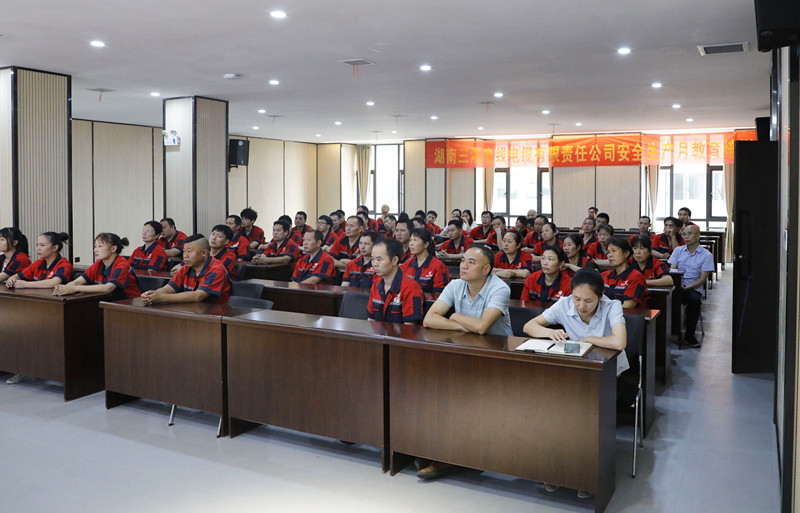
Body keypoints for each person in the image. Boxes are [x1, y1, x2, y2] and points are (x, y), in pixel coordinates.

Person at [523, 269, 628, 500]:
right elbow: (529, 326)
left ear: (600, 296)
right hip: (575, 374)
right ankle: (556, 469)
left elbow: (619, 342)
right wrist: (549, 333)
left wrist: (588, 339)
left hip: (609, 377)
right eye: (577, 299)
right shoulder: (564, 304)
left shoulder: (612, 306)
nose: (581, 306)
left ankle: (586, 475)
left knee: (585, 416)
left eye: (588, 301)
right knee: (551, 410)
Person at [419, 245, 512, 479]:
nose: (463, 266)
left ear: (486, 269)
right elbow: (429, 319)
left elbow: (482, 327)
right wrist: (464, 326)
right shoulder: (455, 285)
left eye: (471, 262)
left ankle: (462, 454)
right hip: (465, 353)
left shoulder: (500, 288)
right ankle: (442, 450)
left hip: (498, 357)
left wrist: (454, 316)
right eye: (462, 260)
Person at [142, 234, 231, 305]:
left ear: (204, 253)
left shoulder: (217, 269)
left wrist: (161, 298)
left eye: (189, 251)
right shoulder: (186, 267)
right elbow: (169, 288)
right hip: (191, 310)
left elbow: (198, 296)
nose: (185, 255)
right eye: (184, 251)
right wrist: (153, 294)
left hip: (215, 314)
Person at [55, 232, 141, 301]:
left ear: (113, 249)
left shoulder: (122, 264)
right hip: (110, 300)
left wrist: (74, 288)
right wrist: (64, 288)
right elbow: (78, 281)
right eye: (95, 246)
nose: (95, 250)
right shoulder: (99, 263)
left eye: (100, 246)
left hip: (129, 302)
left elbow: (108, 288)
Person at [668, 224, 714, 348]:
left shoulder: (706, 255)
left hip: (693, 287)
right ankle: (671, 334)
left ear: (698, 236)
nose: (686, 237)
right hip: (677, 285)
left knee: (694, 300)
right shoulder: (678, 251)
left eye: (690, 234)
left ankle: (689, 335)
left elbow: (702, 279)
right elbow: (673, 270)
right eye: (684, 234)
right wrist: (678, 286)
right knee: (665, 299)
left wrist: (686, 288)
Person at [367, 238, 425, 324]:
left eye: (379, 259)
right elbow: (371, 321)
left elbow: (409, 327)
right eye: (372, 259)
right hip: (379, 332)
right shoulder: (376, 284)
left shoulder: (410, 288)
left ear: (394, 260)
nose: (374, 264)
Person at [5, 232, 72, 290]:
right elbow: (19, 275)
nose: (38, 249)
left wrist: (25, 284)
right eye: (37, 245)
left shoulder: (64, 264)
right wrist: (12, 279)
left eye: (42, 245)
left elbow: (54, 282)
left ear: (55, 248)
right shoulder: (39, 263)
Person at [400, 228, 450, 293]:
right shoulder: (407, 264)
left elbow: (440, 294)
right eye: (410, 240)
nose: (411, 244)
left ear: (426, 244)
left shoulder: (438, 266)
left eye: (415, 240)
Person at [602, 236, 647, 308]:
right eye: (608, 252)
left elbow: (628, 306)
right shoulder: (604, 275)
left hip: (625, 314)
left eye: (614, 251)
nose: (610, 255)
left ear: (626, 253)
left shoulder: (636, 277)